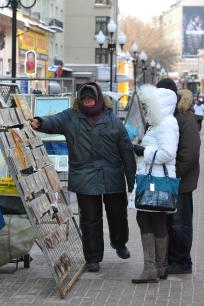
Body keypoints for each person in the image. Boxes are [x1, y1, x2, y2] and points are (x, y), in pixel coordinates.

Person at [30, 82, 136, 272]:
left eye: (91, 99)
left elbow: (127, 150)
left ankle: (119, 243)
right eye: (84, 99)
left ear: (98, 99)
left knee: (118, 214)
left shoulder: (112, 120)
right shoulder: (71, 117)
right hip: (85, 176)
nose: (88, 102)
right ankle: (93, 257)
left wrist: (132, 181)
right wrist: (40, 122)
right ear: (79, 100)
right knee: (90, 219)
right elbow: (54, 121)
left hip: (112, 176)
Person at [130, 84, 179, 283]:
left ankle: (152, 268)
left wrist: (144, 152)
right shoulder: (162, 122)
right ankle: (159, 267)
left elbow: (169, 153)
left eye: (149, 105)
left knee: (147, 218)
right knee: (153, 220)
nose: (147, 109)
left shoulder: (166, 123)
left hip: (156, 180)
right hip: (155, 178)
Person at [158, 85, 201, 275]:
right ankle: (172, 258)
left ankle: (182, 262)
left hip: (181, 183)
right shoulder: (174, 117)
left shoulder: (185, 118)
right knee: (171, 223)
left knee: (179, 223)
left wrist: (174, 175)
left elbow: (190, 153)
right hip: (172, 181)